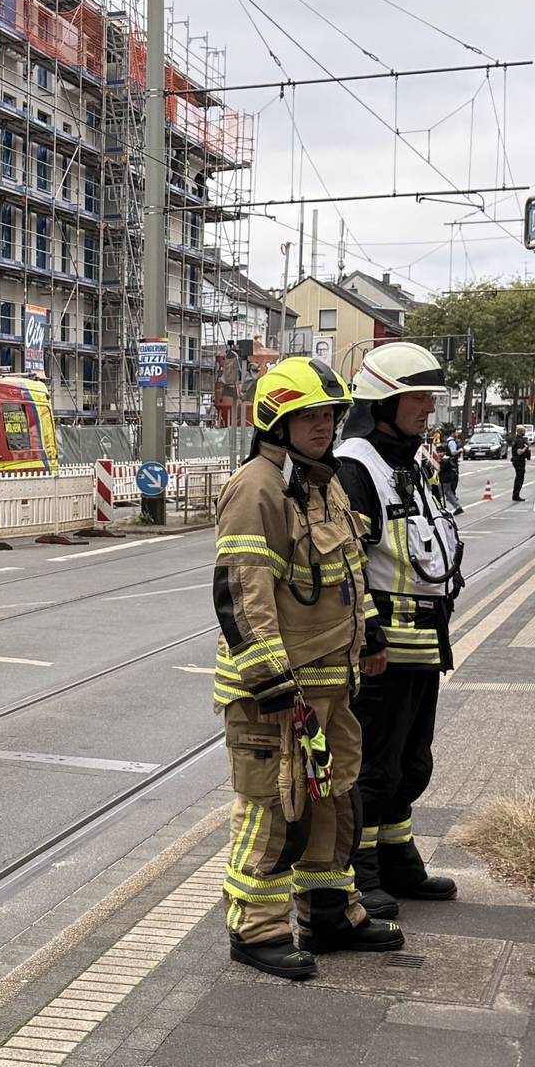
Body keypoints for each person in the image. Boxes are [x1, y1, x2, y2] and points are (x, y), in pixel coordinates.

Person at [214, 356, 404, 980]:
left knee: (331, 799)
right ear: (277, 421)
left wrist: (371, 635)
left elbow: (349, 573)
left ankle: (327, 912)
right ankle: (256, 929)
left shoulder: (323, 484)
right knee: (272, 807)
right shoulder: (258, 488)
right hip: (280, 691)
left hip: (329, 683)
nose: (323, 425)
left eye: (329, 414)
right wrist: (271, 680)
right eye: (308, 416)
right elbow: (243, 592)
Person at [334, 342, 464, 920]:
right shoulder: (356, 465)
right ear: (384, 400)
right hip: (386, 640)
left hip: (424, 636)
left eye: (432, 397)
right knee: (374, 766)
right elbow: (346, 559)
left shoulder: (409, 460)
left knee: (412, 761)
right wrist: (368, 634)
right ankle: (358, 872)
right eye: (419, 397)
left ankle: (396, 856)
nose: (429, 409)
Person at [432, 433, 464, 514]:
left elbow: (439, 470)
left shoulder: (445, 461)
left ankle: (440, 509)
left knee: (438, 495)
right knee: (448, 494)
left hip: (444, 480)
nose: (439, 454)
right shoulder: (447, 459)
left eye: (440, 452)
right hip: (447, 480)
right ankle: (457, 507)